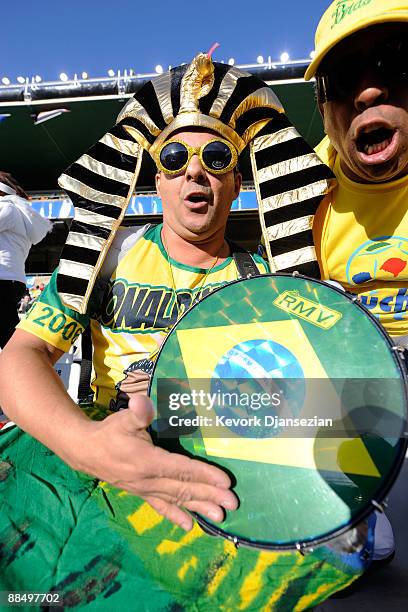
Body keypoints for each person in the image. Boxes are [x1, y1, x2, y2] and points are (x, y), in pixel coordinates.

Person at [0, 54, 370, 609]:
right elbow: (19, 356)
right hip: (95, 457)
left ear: (237, 182)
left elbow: (306, 414)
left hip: (214, 475)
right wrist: (84, 446)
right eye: (175, 158)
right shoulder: (107, 258)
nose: (194, 172)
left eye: (215, 157)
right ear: (157, 179)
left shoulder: (266, 284)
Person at [304, 0, 408, 565]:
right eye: (343, 79)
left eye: (397, 64)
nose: (368, 92)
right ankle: (355, 509)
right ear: (324, 108)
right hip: (356, 379)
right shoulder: (301, 194)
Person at [0, 172, 51, 348]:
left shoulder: (7, 208)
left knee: (8, 335)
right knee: (7, 331)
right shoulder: (17, 212)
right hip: (10, 279)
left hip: (3, 278)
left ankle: (21, 366)